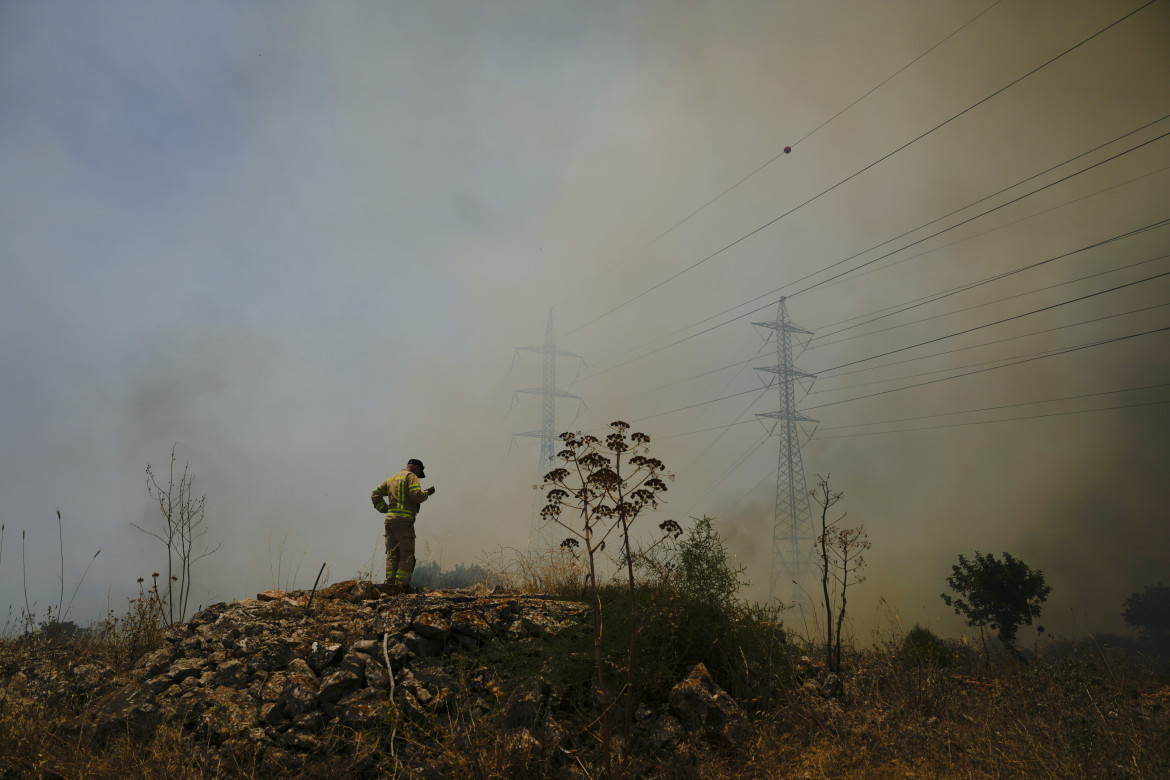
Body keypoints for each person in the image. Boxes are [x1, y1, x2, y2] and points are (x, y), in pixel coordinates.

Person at [371, 458, 435, 593]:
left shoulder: (392, 478)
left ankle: (390, 584)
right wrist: (427, 493)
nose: (419, 477)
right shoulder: (411, 477)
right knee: (406, 554)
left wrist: (385, 509)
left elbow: (375, 494)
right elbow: (416, 496)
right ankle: (401, 586)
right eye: (419, 473)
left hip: (390, 521)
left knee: (392, 553)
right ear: (416, 468)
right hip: (404, 521)